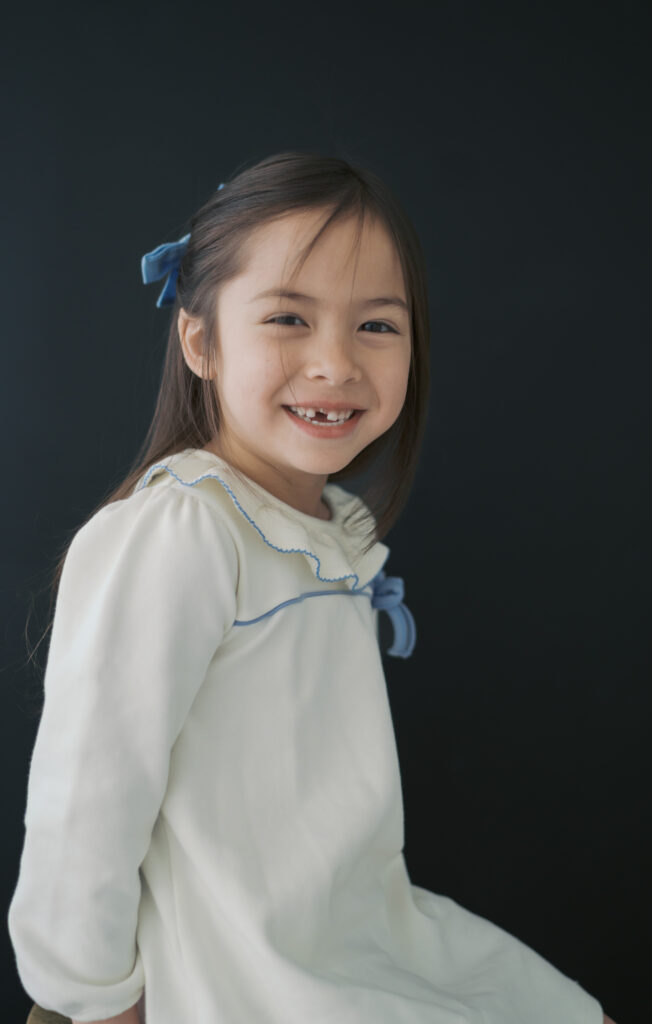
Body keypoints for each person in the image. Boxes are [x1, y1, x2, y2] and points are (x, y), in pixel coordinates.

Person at [8, 152, 618, 1024]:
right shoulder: (182, 533)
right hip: (243, 973)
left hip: (356, 936)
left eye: (376, 325)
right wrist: (92, 996)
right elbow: (86, 805)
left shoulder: (326, 530)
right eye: (288, 318)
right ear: (201, 341)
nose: (335, 363)